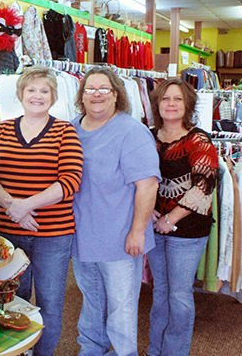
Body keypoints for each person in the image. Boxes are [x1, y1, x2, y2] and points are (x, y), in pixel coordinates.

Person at [0, 65, 83, 356]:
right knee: (11, 299)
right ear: (21, 94)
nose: (37, 96)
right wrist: (13, 208)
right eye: (31, 90)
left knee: (50, 303)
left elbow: (69, 181)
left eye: (44, 91)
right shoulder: (2, 129)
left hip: (53, 234)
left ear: (53, 97)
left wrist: (24, 206)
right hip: (9, 232)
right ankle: (18, 352)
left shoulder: (65, 131)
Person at [71, 66, 160, 356]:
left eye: (103, 89)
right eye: (90, 89)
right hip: (82, 236)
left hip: (121, 239)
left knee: (122, 309)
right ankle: (91, 351)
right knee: (91, 302)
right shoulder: (70, 129)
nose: (96, 95)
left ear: (116, 94)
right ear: (82, 96)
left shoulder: (131, 131)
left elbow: (147, 186)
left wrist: (137, 232)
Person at [147, 79, 218, 356]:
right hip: (153, 225)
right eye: (166, 99)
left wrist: (170, 218)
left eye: (177, 99)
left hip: (188, 230)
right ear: (157, 104)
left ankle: (174, 352)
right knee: (160, 292)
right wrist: (148, 210)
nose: (171, 104)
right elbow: (136, 177)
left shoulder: (199, 139)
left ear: (187, 104)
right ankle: (156, 350)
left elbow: (204, 185)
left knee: (179, 295)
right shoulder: (147, 136)